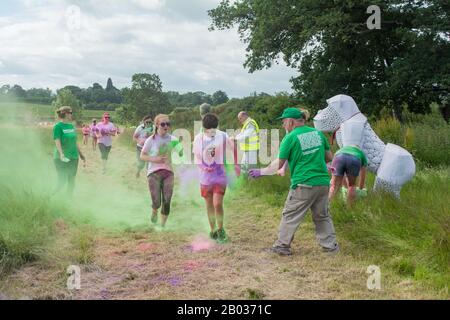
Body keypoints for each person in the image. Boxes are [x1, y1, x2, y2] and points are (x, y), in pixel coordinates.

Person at [249, 108, 339, 256]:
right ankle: (331, 248)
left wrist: (261, 172)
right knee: (322, 216)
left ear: (291, 121)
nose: (283, 124)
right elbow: (329, 157)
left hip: (303, 184)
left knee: (290, 215)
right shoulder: (317, 134)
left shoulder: (290, 138)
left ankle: (281, 246)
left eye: (284, 121)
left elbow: (278, 164)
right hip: (322, 182)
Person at [193, 113, 239, 243]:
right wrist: (203, 167)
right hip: (205, 178)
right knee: (209, 205)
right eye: (209, 129)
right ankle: (212, 230)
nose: (212, 131)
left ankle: (220, 229)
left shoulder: (223, 136)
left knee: (217, 203)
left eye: (214, 128)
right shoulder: (198, 139)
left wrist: (236, 164)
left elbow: (234, 150)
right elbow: (197, 158)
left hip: (220, 176)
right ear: (204, 128)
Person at [140, 114, 183, 228]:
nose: (166, 126)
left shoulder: (173, 139)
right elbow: (142, 156)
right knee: (157, 202)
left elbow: (181, 153)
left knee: (167, 200)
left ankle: (162, 226)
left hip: (168, 173)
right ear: (157, 125)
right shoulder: (151, 140)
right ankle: (154, 210)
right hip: (153, 173)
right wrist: (155, 159)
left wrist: (180, 149)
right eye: (163, 124)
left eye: (168, 124)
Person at [53, 106, 86, 196]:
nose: (71, 115)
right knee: (62, 180)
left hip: (73, 157)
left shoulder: (71, 126)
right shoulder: (58, 127)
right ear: (66, 114)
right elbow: (57, 140)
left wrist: (81, 154)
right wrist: (61, 154)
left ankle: (68, 201)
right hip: (62, 158)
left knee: (71, 180)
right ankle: (50, 196)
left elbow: (74, 141)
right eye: (70, 113)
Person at [233, 111, 260, 176]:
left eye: (240, 118)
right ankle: (245, 181)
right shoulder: (247, 124)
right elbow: (242, 134)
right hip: (248, 149)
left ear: (245, 116)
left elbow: (246, 135)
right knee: (244, 167)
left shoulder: (250, 123)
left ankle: (252, 183)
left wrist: (235, 139)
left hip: (252, 149)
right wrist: (235, 137)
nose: (239, 120)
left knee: (251, 168)